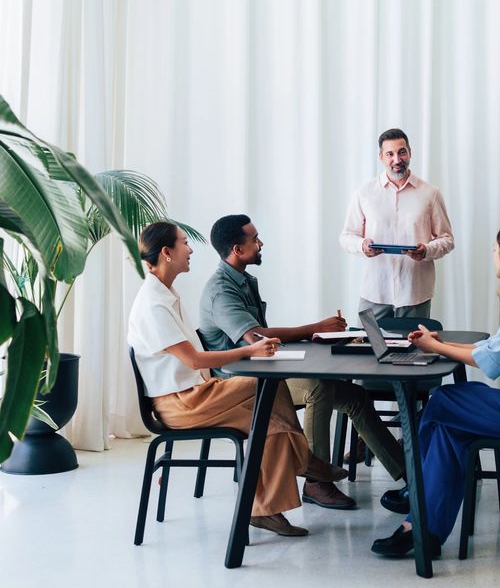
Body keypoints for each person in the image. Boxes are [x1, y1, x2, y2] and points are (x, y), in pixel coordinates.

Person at [127, 221, 348, 539]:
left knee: (269, 415)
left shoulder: (165, 294)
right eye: (184, 243)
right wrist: (250, 352)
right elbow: (194, 359)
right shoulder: (153, 303)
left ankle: (269, 506)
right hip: (180, 403)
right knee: (267, 389)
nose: (190, 250)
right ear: (166, 252)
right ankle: (304, 466)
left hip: (193, 393)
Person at [371, 221, 500, 559]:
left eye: (496, 249)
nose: (493, 255)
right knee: (451, 431)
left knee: (445, 399)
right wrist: (440, 342)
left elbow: (490, 360)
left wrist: (436, 349)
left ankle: (416, 491)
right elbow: (494, 348)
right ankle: (423, 530)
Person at [197, 214, 407, 510]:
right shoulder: (221, 290)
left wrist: (318, 335)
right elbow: (255, 336)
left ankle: (409, 475)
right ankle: (316, 483)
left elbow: (263, 340)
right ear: (237, 249)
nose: (261, 244)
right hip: (241, 384)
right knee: (317, 388)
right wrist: (314, 329)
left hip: (264, 371)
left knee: (356, 396)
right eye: (254, 239)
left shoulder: (242, 280)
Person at [339, 127, 454, 322]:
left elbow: (447, 239)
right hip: (375, 290)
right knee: (364, 347)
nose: (397, 160)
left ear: (410, 152)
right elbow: (347, 236)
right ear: (381, 157)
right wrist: (362, 246)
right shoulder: (364, 193)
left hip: (415, 292)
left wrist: (426, 250)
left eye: (402, 152)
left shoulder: (430, 194)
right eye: (390, 154)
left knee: (415, 350)